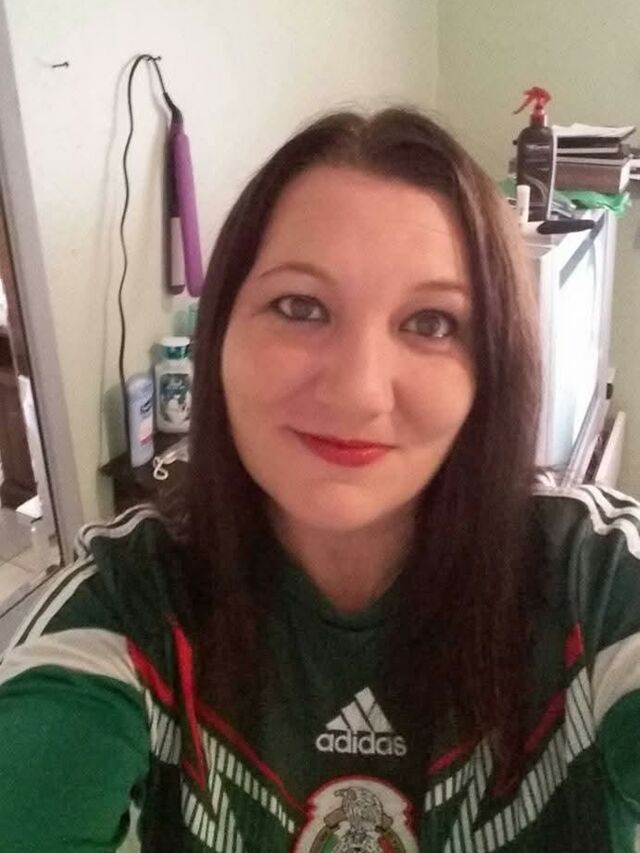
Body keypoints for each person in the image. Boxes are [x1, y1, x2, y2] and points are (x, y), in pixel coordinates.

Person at [0, 107, 639, 853]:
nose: (358, 392)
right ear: (218, 338)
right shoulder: (124, 608)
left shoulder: (594, 583)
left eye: (431, 323)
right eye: (300, 307)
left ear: (493, 367)